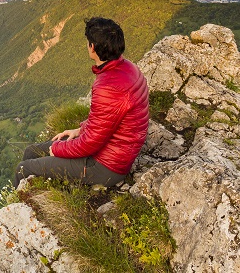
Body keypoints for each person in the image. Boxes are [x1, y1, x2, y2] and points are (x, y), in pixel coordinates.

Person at [13, 17, 149, 187]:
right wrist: (80, 130)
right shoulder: (128, 67)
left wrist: (56, 150)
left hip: (105, 166)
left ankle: (24, 203)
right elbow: (107, 120)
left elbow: (90, 144)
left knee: (22, 169)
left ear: (92, 47)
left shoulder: (107, 86)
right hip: (113, 153)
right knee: (31, 152)